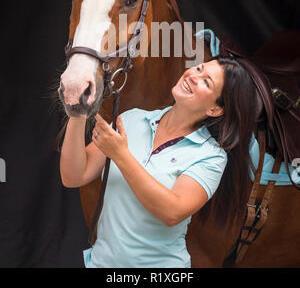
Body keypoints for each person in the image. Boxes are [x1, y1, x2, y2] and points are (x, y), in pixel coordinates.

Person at [60, 55, 261, 268]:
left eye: (206, 81)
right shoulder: (131, 119)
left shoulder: (211, 155)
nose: (193, 75)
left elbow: (172, 212)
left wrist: (120, 155)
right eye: (199, 68)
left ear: (215, 110)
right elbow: (73, 176)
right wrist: (77, 112)